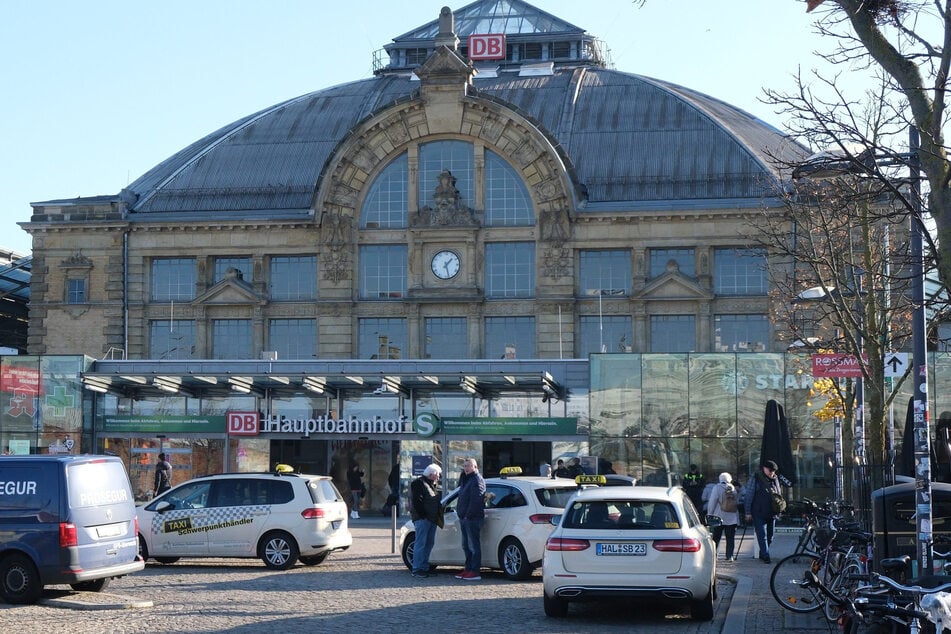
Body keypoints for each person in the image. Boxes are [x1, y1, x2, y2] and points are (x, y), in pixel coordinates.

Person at [454, 458, 486, 580]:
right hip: (464, 518)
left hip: (472, 518)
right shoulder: (466, 479)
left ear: (475, 467)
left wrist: (468, 515)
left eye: (469, 466)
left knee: (473, 546)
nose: (466, 468)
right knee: (466, 545)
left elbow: (476, 500)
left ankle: (475, 571)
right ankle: (468, 569)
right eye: (465, 466)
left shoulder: (477, 479)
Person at [745, 460, 782, 564]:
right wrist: (748, 512)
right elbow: (749, 495)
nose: (772, 473)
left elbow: (778, 495)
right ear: (764, 468)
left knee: (770, 536)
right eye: (770, 470)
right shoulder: (756, 478)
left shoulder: (775, 479)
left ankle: (763, 553)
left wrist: (779, 510)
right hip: (758, 512)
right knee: (762, 535)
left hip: (772, 512)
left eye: (774, 471)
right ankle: (766, 556)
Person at [409, 463, 442, 578]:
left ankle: (424, 567)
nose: (439, 477)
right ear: (431, 474)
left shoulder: (433, 484)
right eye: (437, 474)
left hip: (432, 519)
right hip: (423, 519)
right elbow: (417, 501)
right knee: (421, 544)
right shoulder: (418, 483)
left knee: (429, 543)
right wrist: (423, 515)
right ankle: (417, 569)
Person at [706, 472, 739, 561]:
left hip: (718, 516)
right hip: (731, 518)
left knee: (716, 537)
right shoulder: (733, 488)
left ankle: (715, 555)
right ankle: (729, 556)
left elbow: (712, 502)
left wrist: (710, 514)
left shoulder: (717, 488)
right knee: (730, 538)